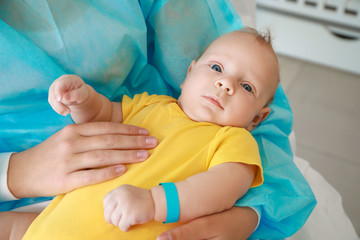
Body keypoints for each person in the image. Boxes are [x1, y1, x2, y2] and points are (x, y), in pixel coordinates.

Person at [3, 28, 279, 240]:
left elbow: (221, 189)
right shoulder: (152, 104)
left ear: (257, 118)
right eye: (217, 68)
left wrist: (154, 202)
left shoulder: (234, 140)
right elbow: (103, 118)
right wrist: (82, 99)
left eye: (246, 87)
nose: (225, 83)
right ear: (188, 74)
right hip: (52, 221)